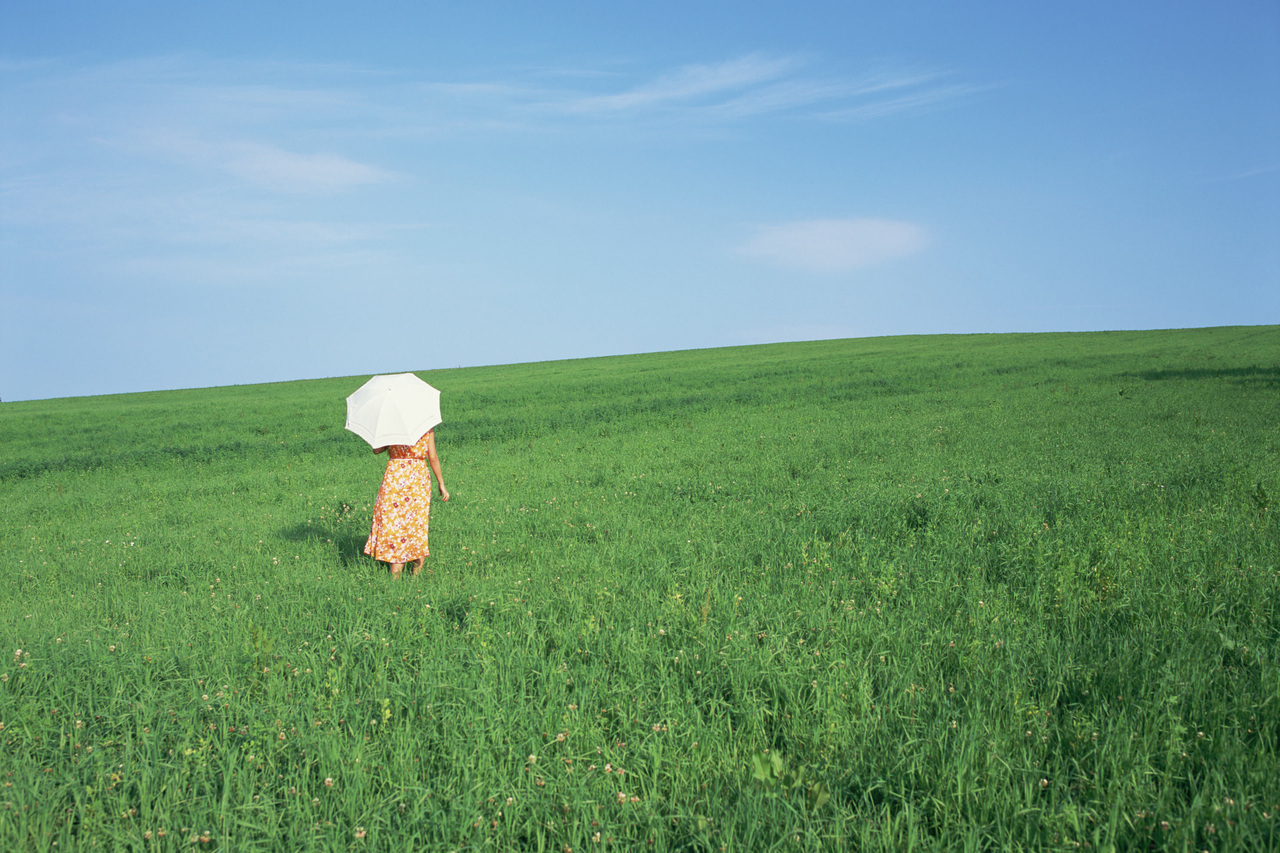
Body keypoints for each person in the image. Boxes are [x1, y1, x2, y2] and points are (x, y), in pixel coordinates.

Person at [364, 428, 449, 578]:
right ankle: (417, 575)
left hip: (395, 476)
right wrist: (441, 482)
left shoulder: (391, 425)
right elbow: (433, 457)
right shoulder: (425, 427)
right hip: (418, 477)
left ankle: (395, 577)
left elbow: (376, 450)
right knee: (417, 523)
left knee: (394, 523)